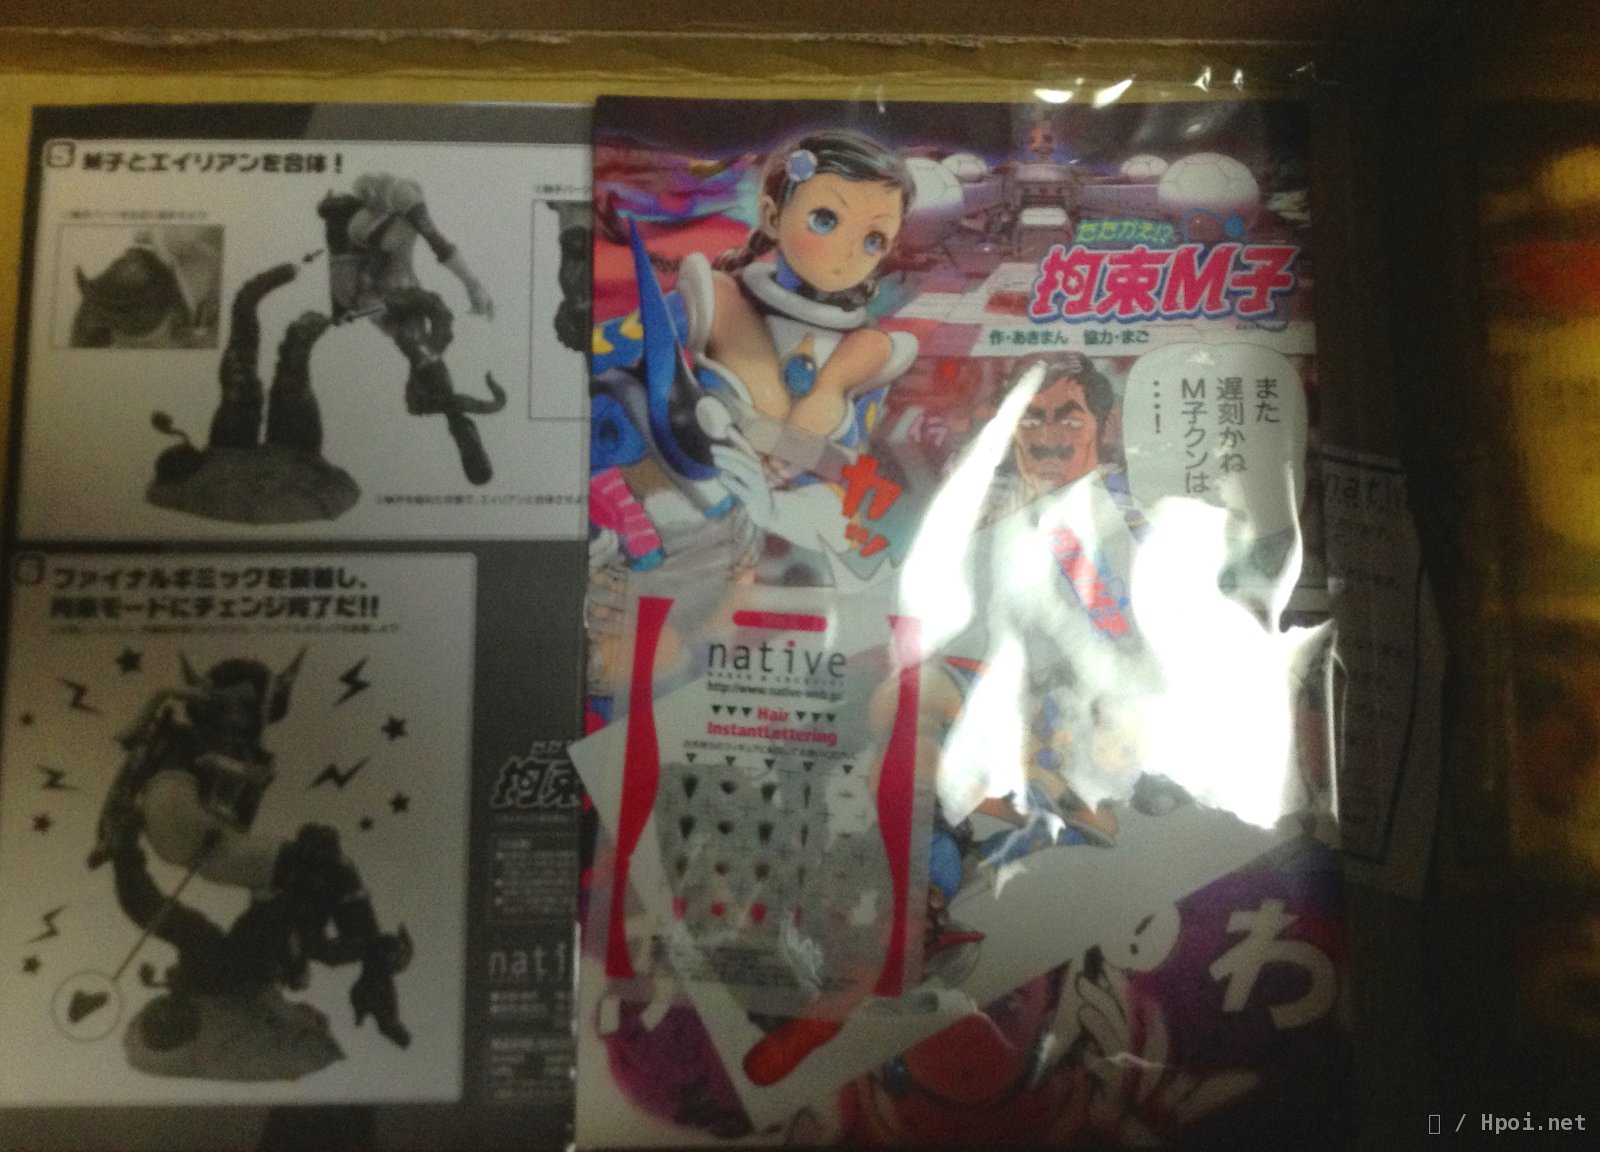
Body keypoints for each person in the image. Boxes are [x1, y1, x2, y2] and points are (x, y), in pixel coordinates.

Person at [90, 654, 412, 1050]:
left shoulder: (210, 948)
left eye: (245, 708)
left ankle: (375, 979)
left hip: (210, 839)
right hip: (187, 825)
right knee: (325, 866)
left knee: (325, 867)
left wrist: (125, 856)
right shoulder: (184, 739)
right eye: (226, 706)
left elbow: (149, 904)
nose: (235, 719)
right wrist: (123, 851)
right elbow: (131, 747)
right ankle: (375, 979)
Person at [318, 173, 504, 485]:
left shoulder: (393, 207)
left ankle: (455, 421)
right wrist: (473, 285)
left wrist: (473, 286)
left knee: (422, 348)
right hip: (363, 289)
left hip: (387, 284)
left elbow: (432, 243)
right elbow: (426, 245)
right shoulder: (371, 218)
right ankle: (458, 423)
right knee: (420, 344)